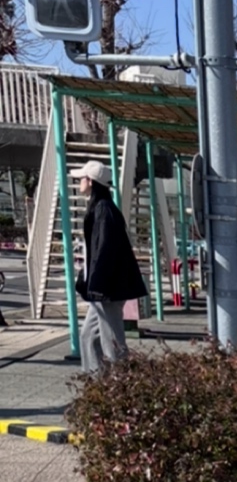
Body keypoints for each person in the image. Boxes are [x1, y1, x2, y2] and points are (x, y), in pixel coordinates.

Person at [71, 159, 147, 375]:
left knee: (112, 341)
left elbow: (105, 250)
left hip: (108, 288)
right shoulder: (102, 208)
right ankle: (96, 384)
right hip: (105, 286)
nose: (79, 182)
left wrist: (97, 284)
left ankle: (122, 387)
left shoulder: (104, 210)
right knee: (89, 336)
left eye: (82, 178)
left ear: (92, 182)